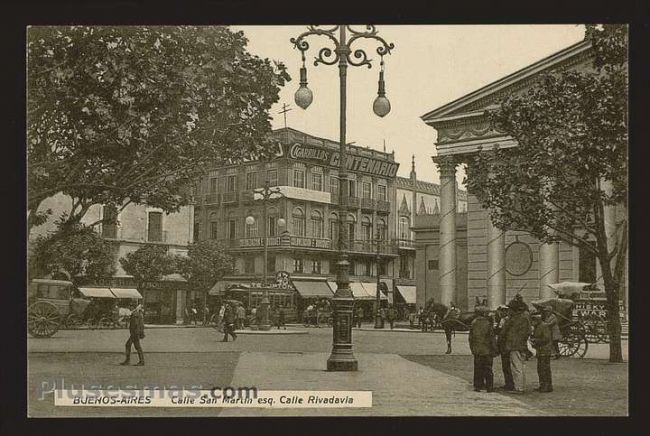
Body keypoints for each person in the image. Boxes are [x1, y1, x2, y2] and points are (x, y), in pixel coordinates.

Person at [502, 299, 531, 393]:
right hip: (521, 345)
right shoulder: (524, 318)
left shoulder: (514, 319)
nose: (509, 311)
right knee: (521, 366)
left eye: (510, 309)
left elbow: (507, 332)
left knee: (516, 367)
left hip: (514, 346)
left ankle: (519, 388)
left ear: (514, 310)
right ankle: (521, 386)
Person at [469, 305, 497, 392]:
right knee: (488, 368)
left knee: (478, 368)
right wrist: (495, 349)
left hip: (477, 350)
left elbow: (471, 338)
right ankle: (489, 387)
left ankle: (478, 386)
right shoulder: (488, 324)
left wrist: (472, 348)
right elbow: (492, 338)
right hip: (487, 350)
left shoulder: (473, 323)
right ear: (484, 314)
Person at [531, 313, 554, 392]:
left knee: (543, 369)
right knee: (541, 369)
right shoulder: (539, 326)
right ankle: (544, 385)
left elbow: (546, 339)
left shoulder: (543, 326)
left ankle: (546, 386)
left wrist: (535, 341)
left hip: (544, 351)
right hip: (541, 350)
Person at [495, 305, 514, 391]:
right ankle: (508, 383)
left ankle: (509, 384)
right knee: (505, 365)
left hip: (505, 345)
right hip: (504, 345)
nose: (500, 313)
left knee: (506, 365)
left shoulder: (505, 320)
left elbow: (501, 333)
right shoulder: (504, 320)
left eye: (502, 311)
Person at [120, 301, 145, 366]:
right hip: (135, 333)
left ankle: (139, 361)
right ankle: (138, 361)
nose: (129, 308)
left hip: (135, 333)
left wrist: (137, 333)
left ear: (133, 307)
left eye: (130, 306)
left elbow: (136, 324)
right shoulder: (136, 313)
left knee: (133, 346)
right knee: (133, 346)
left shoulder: (135, 314)